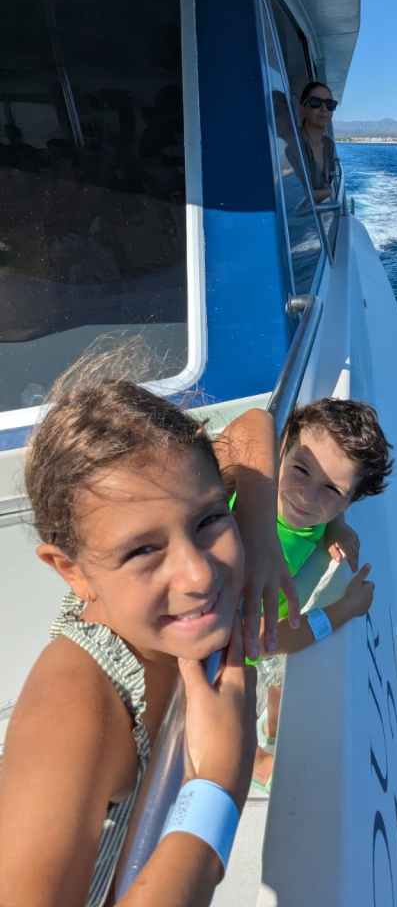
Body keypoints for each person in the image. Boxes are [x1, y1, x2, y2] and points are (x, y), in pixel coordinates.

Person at [0, 348, 293, 906]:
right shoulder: (72, 714)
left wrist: (256, 527)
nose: (198, 574)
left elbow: (252, 426)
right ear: (71, 571)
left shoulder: (155, 555)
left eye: (209, 518)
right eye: (142, 551)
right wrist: (217, 787)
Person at [241, 398, 394, 795]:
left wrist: (336, 525)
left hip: (270, 613)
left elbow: (323, 489)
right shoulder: (251, 534)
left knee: (279, 683)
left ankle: (274, 722)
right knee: (238, 691)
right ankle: (256, 761)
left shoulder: (304, 504)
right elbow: (264, 638)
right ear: (281, 449)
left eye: (330, 489)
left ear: (349, 500)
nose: (308, 497)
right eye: (301, 470)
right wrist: (344, 610)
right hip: (233, 645)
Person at [298, 80, 338, 204]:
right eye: (315, 102)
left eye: (329, 104)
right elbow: (296, 197)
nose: (324, 109)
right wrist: (329, 192)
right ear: (302, 108)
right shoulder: (294, 144)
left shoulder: (329, 144)